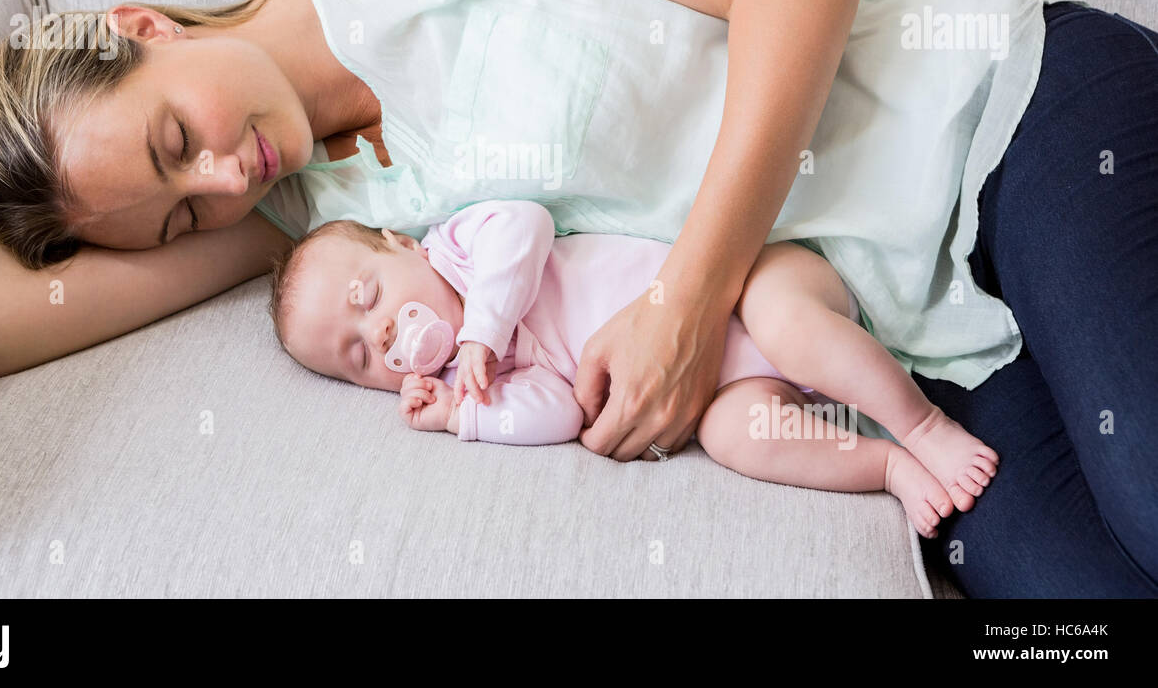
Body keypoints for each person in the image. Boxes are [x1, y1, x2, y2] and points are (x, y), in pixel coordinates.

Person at [0, 0, 1157, 596]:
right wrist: (60, 178)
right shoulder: (312, 220)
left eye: (171, 138)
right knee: (1079, 606)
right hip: (900, 338)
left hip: (1000, 120)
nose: (218, 177)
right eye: (179, 215)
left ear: (142, 24)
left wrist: (688, 299)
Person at [271, 199, 1003, 539]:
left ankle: (924, 424)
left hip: (746, 285)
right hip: (728, 382)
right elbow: (558, 414)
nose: (385, 335)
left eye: (368, 298)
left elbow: (528, 224)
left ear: (398, 244)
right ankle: (886, 465)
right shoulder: (486, 383)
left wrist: (481, 332)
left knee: (792, 326)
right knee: (734, 437)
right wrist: (467, 412)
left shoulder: (459, 249)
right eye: (360, 357)